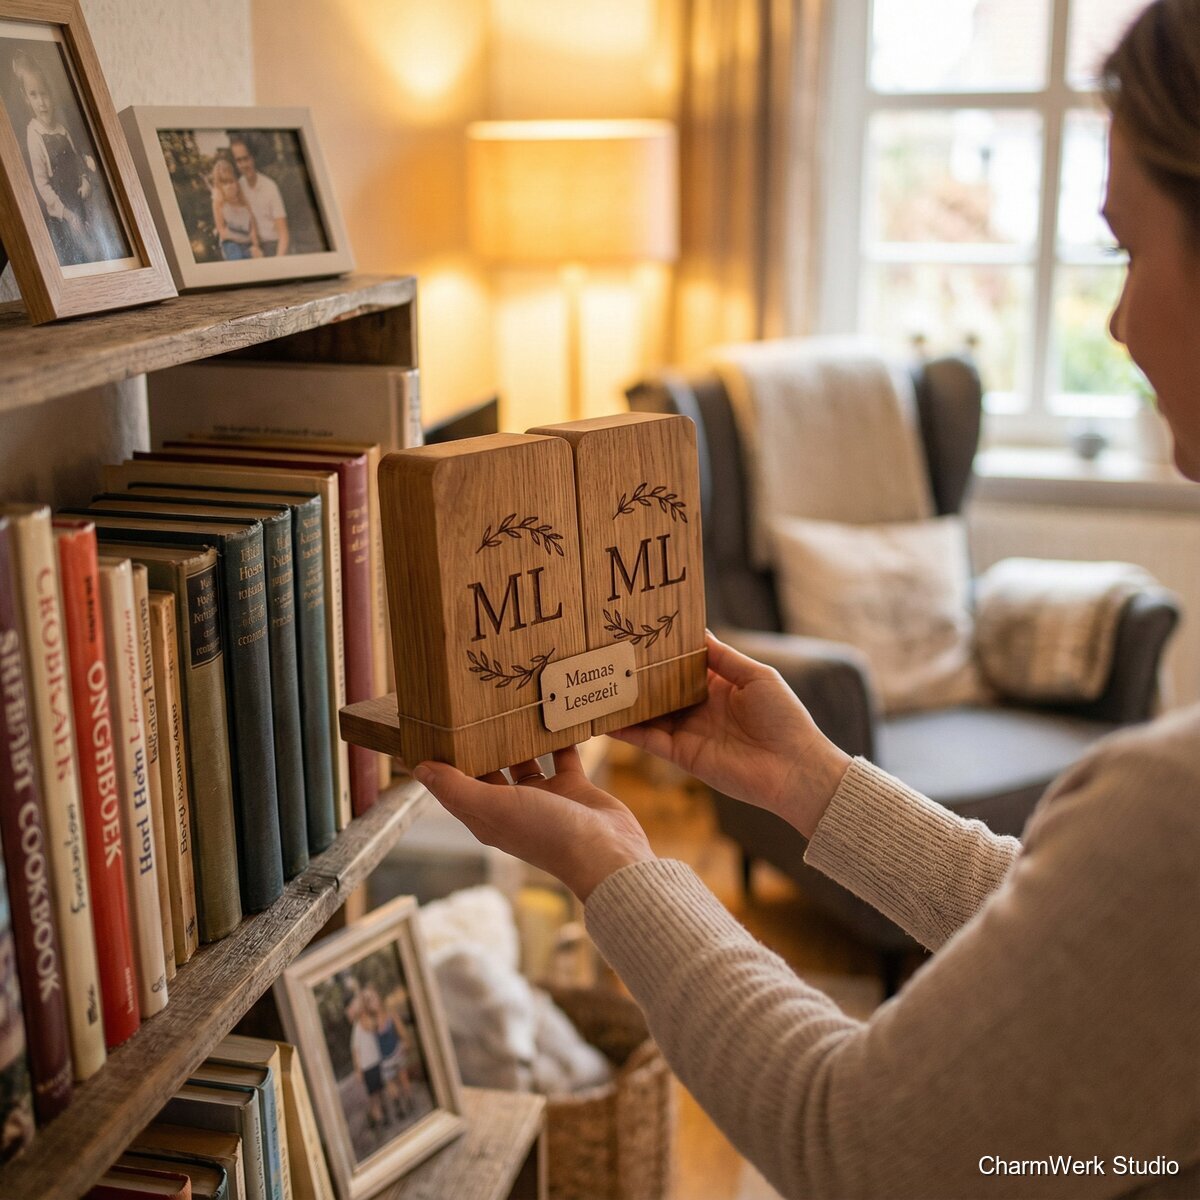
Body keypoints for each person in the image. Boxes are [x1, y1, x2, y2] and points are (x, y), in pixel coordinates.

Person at [414, 3, 1200, 1196]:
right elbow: (1096, 945)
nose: (1120, 322)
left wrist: (614, 861)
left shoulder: (1170, 800)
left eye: (1131, 252)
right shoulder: (1158, 835)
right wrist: (812, 783)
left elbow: (855, 1143)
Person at [11, 51, 112, 266]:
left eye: (45, 94)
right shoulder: (34, 134)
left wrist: (85, 179)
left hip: (81, 200)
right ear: (26, 98)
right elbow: (42, 183)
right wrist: (66, 213)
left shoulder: (61, 129)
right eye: (34, 95)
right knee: (82, 250)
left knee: (97, 243)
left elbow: (76, 161)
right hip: (63, 210)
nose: (42, 102)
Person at [230, 136, 289, 257]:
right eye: (239, 161)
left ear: (253, 158)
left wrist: (278, 263)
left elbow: (284, 234)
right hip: (251, 247)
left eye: (246, 159)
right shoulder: (239, 187)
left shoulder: (270, 187)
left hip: (273, 246)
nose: (243, 165)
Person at [210, 155, 262, 262]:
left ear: (236, 181)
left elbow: (252, 226)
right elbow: (221, 229)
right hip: (231, 243)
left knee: (257, 258)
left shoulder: (244, 201)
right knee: (236, 257)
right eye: (224, 183)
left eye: (231, 181)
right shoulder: (219, 203)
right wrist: (239, 240)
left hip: (247, 243)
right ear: (219, 186)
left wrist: (255, 245)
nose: (229, 186)